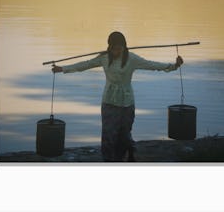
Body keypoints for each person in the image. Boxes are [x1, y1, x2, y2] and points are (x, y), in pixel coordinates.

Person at [52, 31, 183, 162]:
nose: (117, 51)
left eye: (120, 48)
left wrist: (174, 66)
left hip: (127, 102)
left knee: (125, 134)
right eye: (114, 48)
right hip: (109, 101)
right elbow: (84, 65)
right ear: (109, 47)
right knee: (108, 134)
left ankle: (125, 156)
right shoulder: (103, 58)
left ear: (124, 47)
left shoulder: (132, 59)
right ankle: (108, 161)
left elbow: (152, 65)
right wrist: (62, 69)